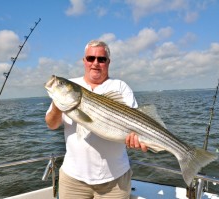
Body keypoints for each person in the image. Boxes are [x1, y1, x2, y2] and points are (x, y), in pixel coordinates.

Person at [45, 40, 147, 199]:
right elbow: (52, 124)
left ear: (108, 62)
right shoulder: (73, 87)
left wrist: (136, 140)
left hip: (116, 181)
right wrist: (58, 103)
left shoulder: (120, 87)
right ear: (84, 61)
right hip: (73, 179)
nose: (95, 63)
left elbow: (135, 124)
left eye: (101, 59)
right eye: (91, 58)